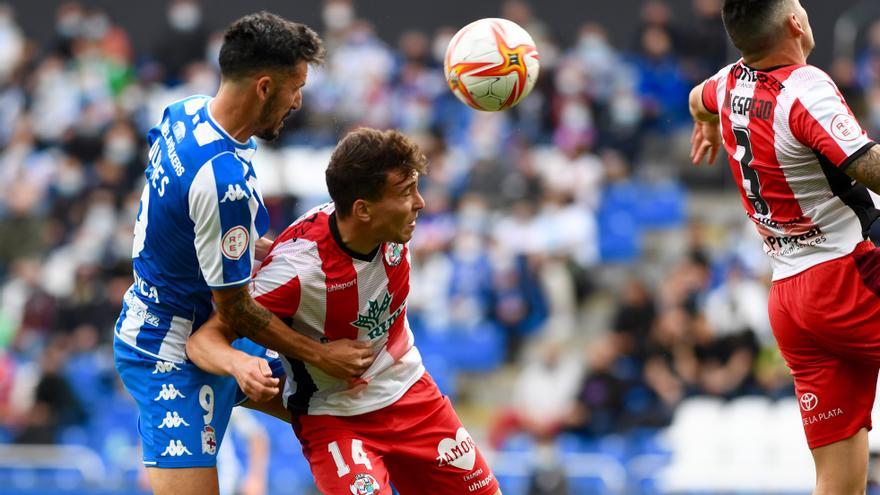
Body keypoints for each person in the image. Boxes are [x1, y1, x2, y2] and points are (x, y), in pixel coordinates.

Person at [113, 12, 373, 495]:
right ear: (264, 87)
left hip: (215, 329)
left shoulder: (186, 112)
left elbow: (183, 207)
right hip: (168, 350)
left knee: (352, 408)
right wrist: (322, 354)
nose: (298, 101)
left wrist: (252, 248)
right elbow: (237, 310)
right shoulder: (222, 180)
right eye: (295, 87)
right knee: (334, 378)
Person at [187, 128, 502, 495]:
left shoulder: (396, 230)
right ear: (362, 209)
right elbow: (203, 341)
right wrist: (241, 365)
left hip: (413, 396)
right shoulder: (299, 268)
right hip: (335, 418)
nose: (421, 203)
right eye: (405, 193)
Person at [689, 1, 880, 493]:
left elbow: (697, 98)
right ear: (796, 23)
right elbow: (867, 167)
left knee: (838, 484)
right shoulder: (805, 88)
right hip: (849, 278)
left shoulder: (728, 83)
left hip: (792, 300)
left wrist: (709, 124)